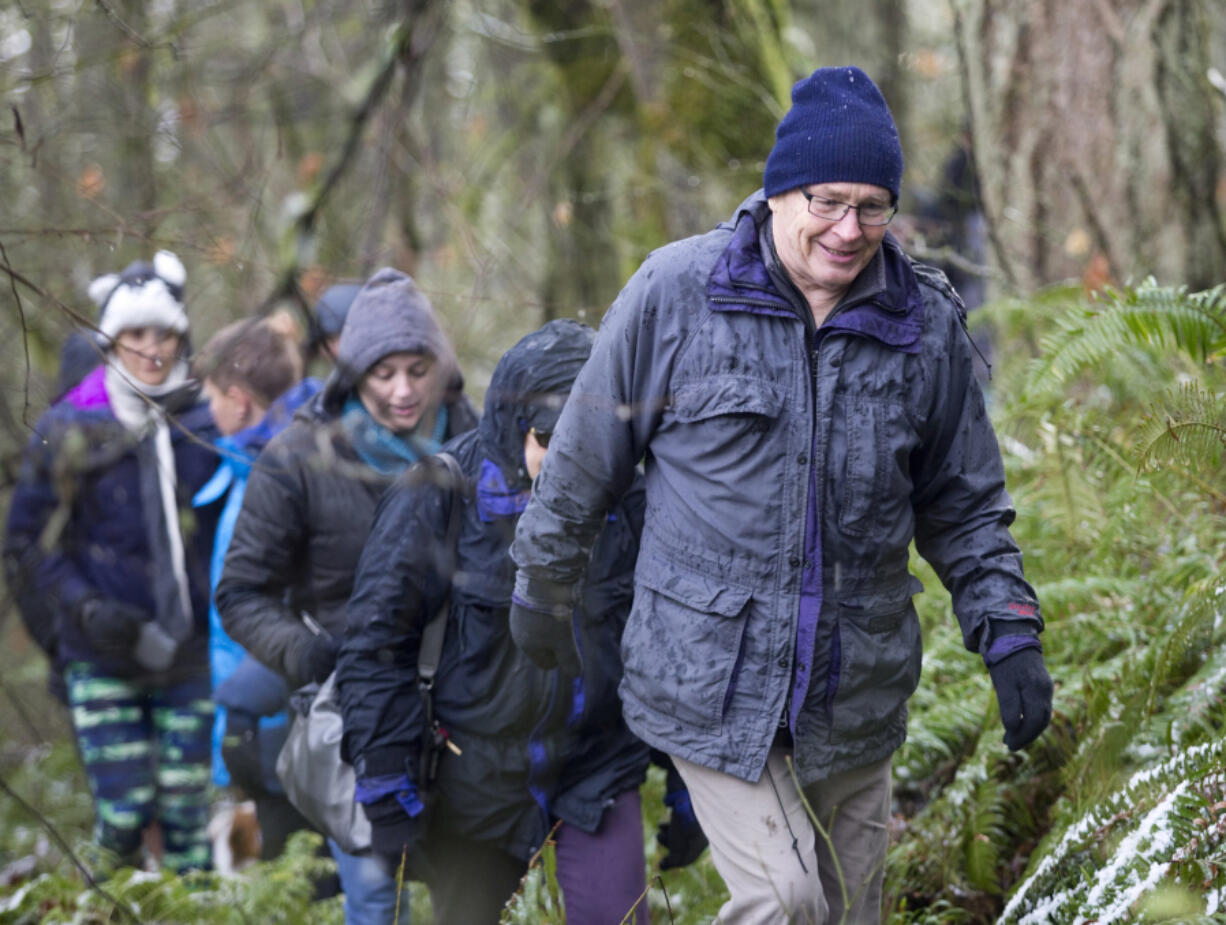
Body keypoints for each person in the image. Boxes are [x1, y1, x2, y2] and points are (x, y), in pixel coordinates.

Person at [509, 66, 1053, 925]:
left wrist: (1009, 632)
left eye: (873, 207)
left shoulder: (925, 325)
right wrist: (542, 589)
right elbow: (581, 461)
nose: (850, 229)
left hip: (854, 685)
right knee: (785, 900)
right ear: (778, 194)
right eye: (829, 202)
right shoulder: (676, 293)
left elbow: (964, 504)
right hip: (709, 676)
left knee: (848, 912)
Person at [337, 320, 652, 924]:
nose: (570, 460)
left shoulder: (630, 502)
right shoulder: (436, 494)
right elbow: (376, 650)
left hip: (596, 766)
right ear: (513, 427)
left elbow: (669, 644)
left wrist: (689, 788)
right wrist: (385, 793)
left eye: (588, 439)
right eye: (549, 438)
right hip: (474, 783)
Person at [215, 268, 477, 925]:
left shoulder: (481, 445)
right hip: (348, 707)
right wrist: (307, 654)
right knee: (370, 887)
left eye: (417, 370)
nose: (402, 391)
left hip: (464, 706)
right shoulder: (298, 457)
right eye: (381, 373)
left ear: (440, 366)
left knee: (469, 890)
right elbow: (241, 590)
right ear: (350, 372)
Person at [4, 251, 221, 873]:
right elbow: (26, 544)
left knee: (186, 819)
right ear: (110, 341)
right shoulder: (71, 427)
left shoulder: (202, 426)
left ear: (181, 337)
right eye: (135, 334)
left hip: (189, 654)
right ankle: (95, 907)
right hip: (101, 653)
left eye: (164, 333)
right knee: (124, 817)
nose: (151, 347)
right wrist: (84, 605)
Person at [191, 317, 321, 861]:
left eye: (213, 396)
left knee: (310, 876)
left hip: (288, 722)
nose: (208, 410)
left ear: (240, 400)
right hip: (259, 718)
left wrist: (250, 716)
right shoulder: (244, 467)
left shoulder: (286, 476)